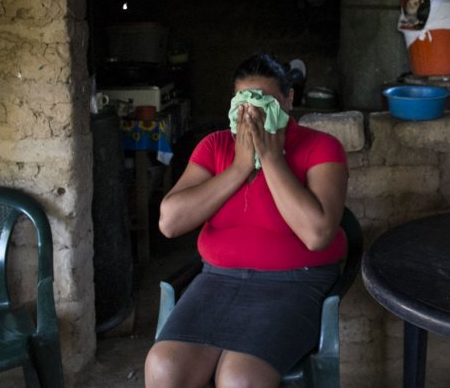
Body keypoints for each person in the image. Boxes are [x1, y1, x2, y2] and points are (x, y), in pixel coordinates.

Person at [145, 53, 349, 388]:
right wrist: (239, 167)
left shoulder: (321, 147)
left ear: (288, 99)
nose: (252, 114)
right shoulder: (215, 147)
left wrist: (270, 159)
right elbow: (170, 222)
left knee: (240, 378)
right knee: (164, 366)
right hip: (217, 282)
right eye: (244, 103)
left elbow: (317, 235)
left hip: (294, 284)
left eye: (265, 102)